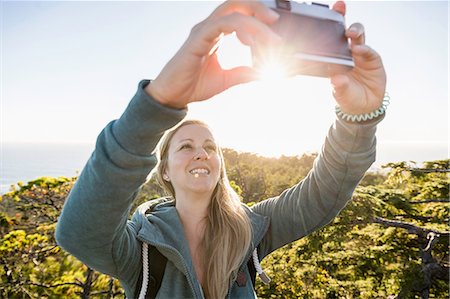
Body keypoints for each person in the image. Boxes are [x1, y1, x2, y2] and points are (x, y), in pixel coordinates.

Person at [55, 1, 387, 298]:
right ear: (165, 169)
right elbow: (80, 234)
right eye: (185, 146)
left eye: (210, 147)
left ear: (219, 165)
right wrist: (159, 103)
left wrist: (358, 119)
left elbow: (323, 194)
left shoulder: (253, 228)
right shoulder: (140, 249)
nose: (201, 153)